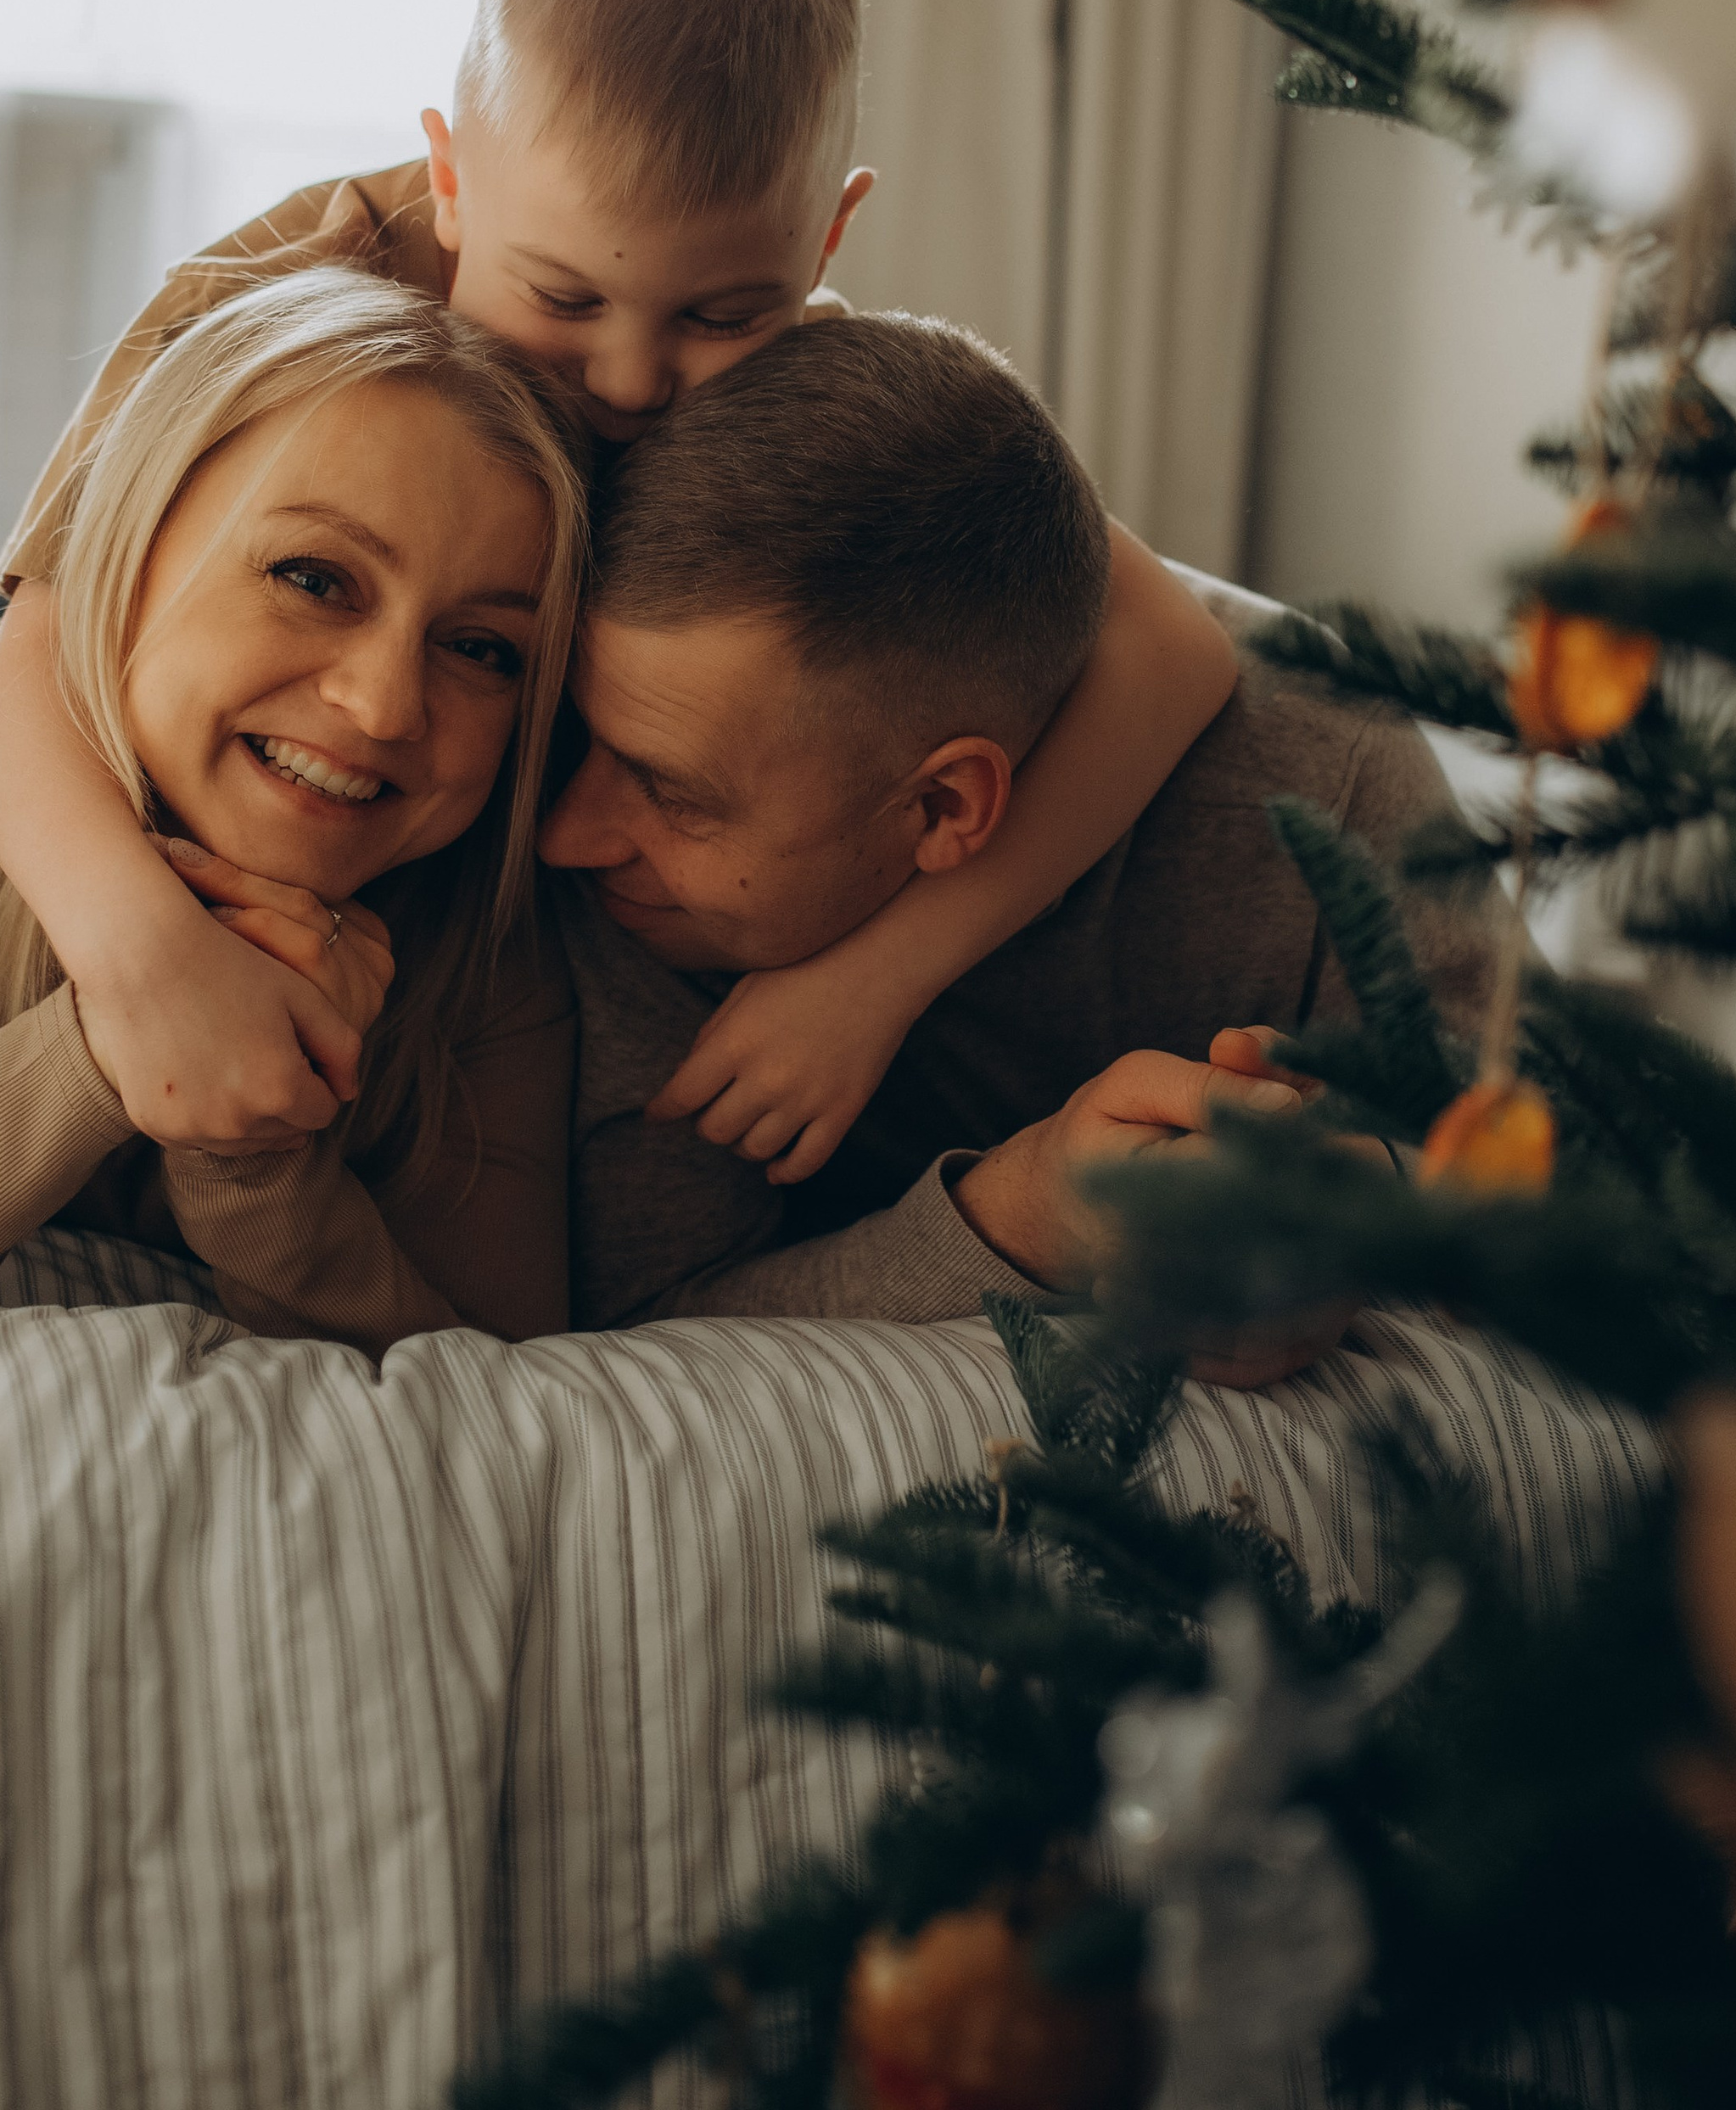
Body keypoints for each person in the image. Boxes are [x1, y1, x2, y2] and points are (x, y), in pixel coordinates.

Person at [0, 0, 1240, 1197]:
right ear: (450, 182)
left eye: (724, 314)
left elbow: (1175, 645)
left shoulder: (803, 360)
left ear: (827, 241)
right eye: (561, 299)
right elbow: (19, 668)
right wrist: (141, 950)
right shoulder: (278, 291)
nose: (629, 379)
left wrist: (873, 983)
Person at [536, 314, 1501, 1374]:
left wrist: (1351, 1209)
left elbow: (1586, 1179)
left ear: (945, 807)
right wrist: (1020, 1220)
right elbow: (635, 1336)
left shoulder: (1331, 772)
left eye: (672, 794)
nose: (560, 835)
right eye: (586, 741)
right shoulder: (615, 868)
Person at [0, 271, 591, 1351]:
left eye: (481, 648)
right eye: (314, 579)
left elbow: (508, 1391)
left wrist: (254, 1160)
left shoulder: (488, 928)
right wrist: (99, 1043)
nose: (386, 704)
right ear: (121, 549)